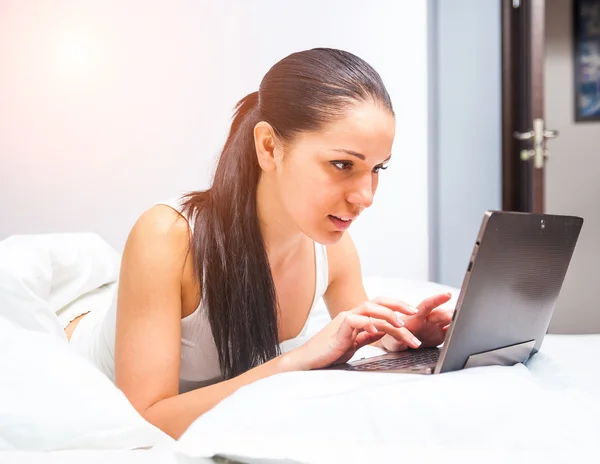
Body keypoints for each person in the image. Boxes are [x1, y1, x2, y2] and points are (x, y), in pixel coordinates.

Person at [65, 48, 453, 439]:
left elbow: (365, 330)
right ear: (269, 147)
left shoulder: (334, 249)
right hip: (73, 350)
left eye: (377, 169)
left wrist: (404, 335)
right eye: (342, 165)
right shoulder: (168, 238)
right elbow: (145, 420)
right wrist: (295, 362)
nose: (366, 196)